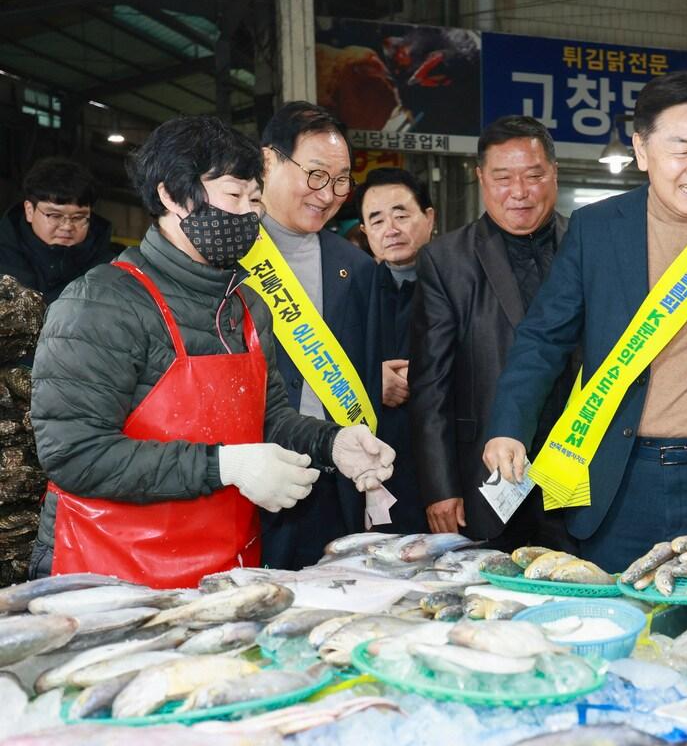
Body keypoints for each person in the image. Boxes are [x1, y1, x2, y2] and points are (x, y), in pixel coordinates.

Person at [26, 115, 394, 587]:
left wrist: (333, 442)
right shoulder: (101, 304)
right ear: (172, 196)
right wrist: (228, 466)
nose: (248, 213)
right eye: (233, 195)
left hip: (224, 568)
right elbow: (75, 454)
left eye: (255, 199)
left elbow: (270, 417)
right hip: (110, 571)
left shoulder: (248, 306)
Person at [483, 72, 687, 572]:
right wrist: (508, 428)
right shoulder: (597, 229)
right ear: (641, 149)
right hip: (615, 482)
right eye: (680, 149)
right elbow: (543, 339)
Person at [409, 116, 576, 551]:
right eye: (503, 178)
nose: (519, 192)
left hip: (580, 476)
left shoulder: (588, 245)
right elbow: (430, 385)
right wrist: (440, 486)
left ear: (554, 174)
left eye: (534, 175)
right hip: (488, 479)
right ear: (481, 178)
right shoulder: (447, 260)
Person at [259, 102, 382, 569]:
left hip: (332, 481)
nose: (327, 194)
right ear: (268, 161)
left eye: (340, 180)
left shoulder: (357, 267)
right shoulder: (231, 254)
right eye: (315, 175)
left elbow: (365, 377)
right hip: (251, 481)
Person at [358, 167, 434, 534]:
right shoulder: (352, 289)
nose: (391, 228)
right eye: (377, 220)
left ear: (429, 217)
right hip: (370, 466)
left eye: (402, 215)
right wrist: (374, 379)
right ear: (365, 232)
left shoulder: (461, 284)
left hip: (439, 467)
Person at [1, 157, 118, 305]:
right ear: (29, 210)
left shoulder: (110, 270)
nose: (67, 226)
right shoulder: (4, 260)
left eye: (78, 217)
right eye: (55, 215)